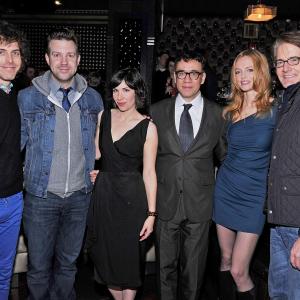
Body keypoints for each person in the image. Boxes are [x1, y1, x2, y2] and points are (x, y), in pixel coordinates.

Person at [18, 28, 103, 300]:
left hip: (80, 197)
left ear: (78, 60)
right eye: (57, 54)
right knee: (39, 269)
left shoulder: (93, 98)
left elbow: (106, 143)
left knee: (68, 267)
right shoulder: (27, 98)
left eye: (70, 55)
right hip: (41, 197)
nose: (63, 61)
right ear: (47, 58)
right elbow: (10, 147)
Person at [151, 50, 227, 300]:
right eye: (181, 73)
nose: (187, 79)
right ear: (173, 76)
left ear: (203, 78)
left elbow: (225, 159)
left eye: (193, 73)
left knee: (194, 274)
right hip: (165, 202)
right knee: (164, 272)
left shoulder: (218, 115)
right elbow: (144, 159)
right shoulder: (156, 111)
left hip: (200, 206)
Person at [87, 67, 158, 300]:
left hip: (132, 200)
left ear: (137, 91)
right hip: (105, 197)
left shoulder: (148, 127)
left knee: (129, 260)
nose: (120, 96)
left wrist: (151, 213)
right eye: (116, 90)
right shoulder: (103, 116)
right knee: (104, 258)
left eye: (126, 90)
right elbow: (97, 154)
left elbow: (149, 172)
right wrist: (95, 172)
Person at [213, 49, 276, 300]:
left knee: (240, 270)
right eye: (238, 71)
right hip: (226, 191)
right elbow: (222, 151)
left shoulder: (276, 110)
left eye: (249, 69)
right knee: (226, 260)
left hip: (254, 198)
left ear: (261, 71)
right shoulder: (230, 112)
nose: (243, 76)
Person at [267, 31, 300, 300]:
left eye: (294, 60)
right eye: (280, 62)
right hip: (280, 221)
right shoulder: (287, 100)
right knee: (279, 294)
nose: (286, 68)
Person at [0, 21, 28, 300]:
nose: (9, 59)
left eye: (15, 52)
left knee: (4, 273)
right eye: (1, 51)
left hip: (13, 198)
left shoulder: (12, 95)